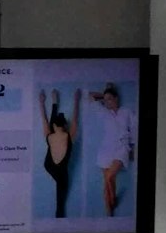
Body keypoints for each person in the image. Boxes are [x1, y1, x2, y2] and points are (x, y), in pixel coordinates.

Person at [85, 82, 136, 216]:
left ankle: (112, 202)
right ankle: (109, 209)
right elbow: (89, 95)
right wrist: (106, 93)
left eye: (110, 99)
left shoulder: (127, 111)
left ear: (116, 98)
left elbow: (135, 130)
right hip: (105, 149)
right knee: (108, 181)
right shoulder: (103, 111)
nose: (107, 102)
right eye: (105, 100)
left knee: (109, 177)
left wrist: (132, 148)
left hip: (122, 148)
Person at [38, 88, 78, 218]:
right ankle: (59, 217)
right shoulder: (69, 135)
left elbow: (44, 119)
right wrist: (77, 100)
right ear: (65, 125)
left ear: (54, 126)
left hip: (48, 165)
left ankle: (54, 102)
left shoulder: (49, 135)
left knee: (60, 198)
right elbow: (75, 119)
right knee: (60, 202)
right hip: (61, 172)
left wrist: (41, 103)